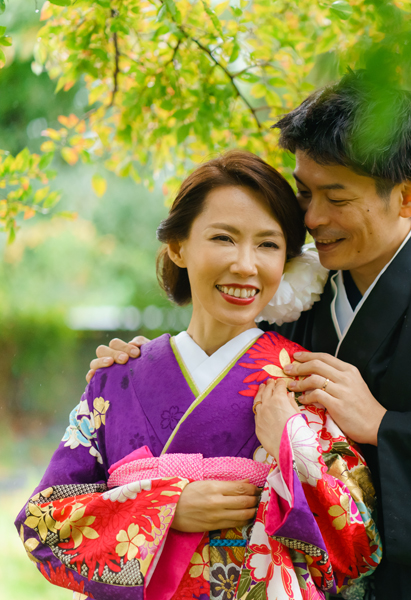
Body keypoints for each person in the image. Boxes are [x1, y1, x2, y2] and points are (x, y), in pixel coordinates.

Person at [89, 71, 411, 600]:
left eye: (335, 197)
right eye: (304, 192)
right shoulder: (295, 300)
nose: (312, 218)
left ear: (408, 195)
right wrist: (132, 375)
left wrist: (385, 427)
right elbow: (206, 416)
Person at [18, 150, 381, 600]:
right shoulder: (117, 378)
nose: (245, 265)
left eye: (267, 244)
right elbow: (42, 524)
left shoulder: (303, 381)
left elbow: (357, 543)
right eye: (224, 238)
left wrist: (291, 443)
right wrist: (164, 507)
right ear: (178, 246)